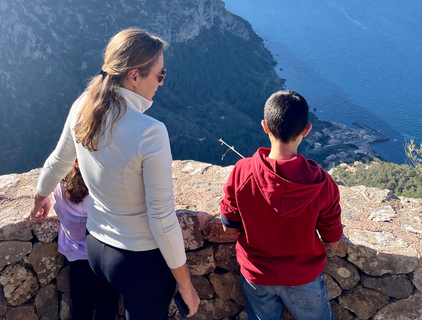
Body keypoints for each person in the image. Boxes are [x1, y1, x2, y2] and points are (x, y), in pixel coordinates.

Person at [26, 28, 199, 319]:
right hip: (137, 261)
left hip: (96, 249)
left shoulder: (84, 103)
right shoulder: (150, 132)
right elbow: (161, 218)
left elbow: (58, 161)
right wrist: (185, 284)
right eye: (160, 74)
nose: (161, 82)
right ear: (134, 76)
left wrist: (40, 197)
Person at [219, 90, 343, 320]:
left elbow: (229, 225)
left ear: (265, 126)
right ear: (307, 130)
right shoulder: (322, 184)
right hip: (303, 278)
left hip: (257, 276)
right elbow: (333, 240)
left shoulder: (242, 172)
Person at [52, 162, 119, 320]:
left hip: (77, 259)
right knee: (107, 309)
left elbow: (48, 180)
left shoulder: (57, 189)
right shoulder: (105, 189)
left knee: (81, 311)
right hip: (106, 258)